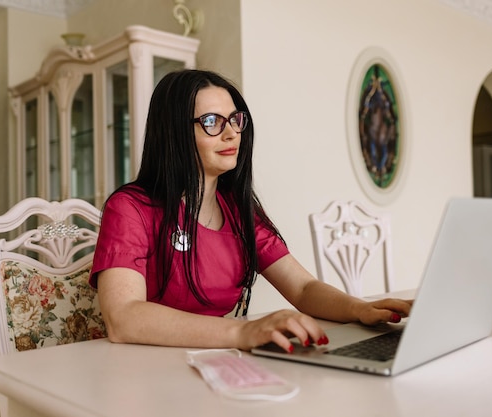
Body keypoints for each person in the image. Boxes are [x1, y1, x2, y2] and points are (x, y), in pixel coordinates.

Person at [90, 69, 412, 353]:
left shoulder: (240, 212)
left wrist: (360, 309)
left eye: (234, 119)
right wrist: (242, 331)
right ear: (174, 133)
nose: (231, 133)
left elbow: (302, 288)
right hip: (142, 370)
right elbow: (124, 318)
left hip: (211, 360)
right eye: (212, 122)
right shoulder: (131, 208)